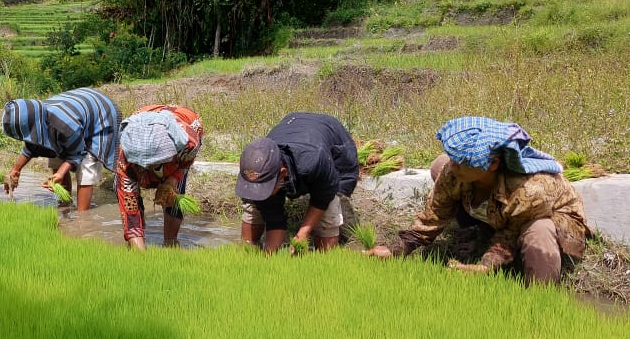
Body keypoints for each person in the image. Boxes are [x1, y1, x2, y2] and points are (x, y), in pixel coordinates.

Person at [368, 117, 590, 286]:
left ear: (492, 164)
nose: (453, 167)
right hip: (500, 213)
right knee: (440, 166)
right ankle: (480, 231)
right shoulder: (455, 172)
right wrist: (397, 248)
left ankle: (542, 298)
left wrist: (486, 266)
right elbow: (434, 214)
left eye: (460, 162)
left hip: (547, 218)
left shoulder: (531, 189)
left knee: (538, 232)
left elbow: (509, 236)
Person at [237, 112, 359, 254]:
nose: (260, 192)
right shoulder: (257, 164)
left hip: (331, 139)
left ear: (282, 173)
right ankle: (248, 250)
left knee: (329, 213)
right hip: (292, 127)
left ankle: (324, 259)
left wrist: (302, 235)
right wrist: (269, 255)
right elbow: (273, 217)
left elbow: (323, 198)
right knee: (253, 204)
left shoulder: (314, 160)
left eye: (265, 187)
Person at [1, 88, 121, 211]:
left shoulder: (65, 125)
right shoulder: (36, 117)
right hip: (75, 111)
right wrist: (16, 169)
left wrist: (60, 173)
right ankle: (65, 205)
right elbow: (32, 146)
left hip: (100, 113)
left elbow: (77, 153)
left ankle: (82, 216)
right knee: (55, 158)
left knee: (86, 166)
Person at [114, 104, 204, 250]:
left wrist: (171, 180)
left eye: (155, 163)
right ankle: (137, 244)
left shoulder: (188, 143)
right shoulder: (126, 158)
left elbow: (185, 164)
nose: (149, 169)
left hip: (180, 123)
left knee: (173, 196)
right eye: (144, 166)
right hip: (141, 127)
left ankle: (170, 242)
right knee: (130, 201)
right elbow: (129, 209)